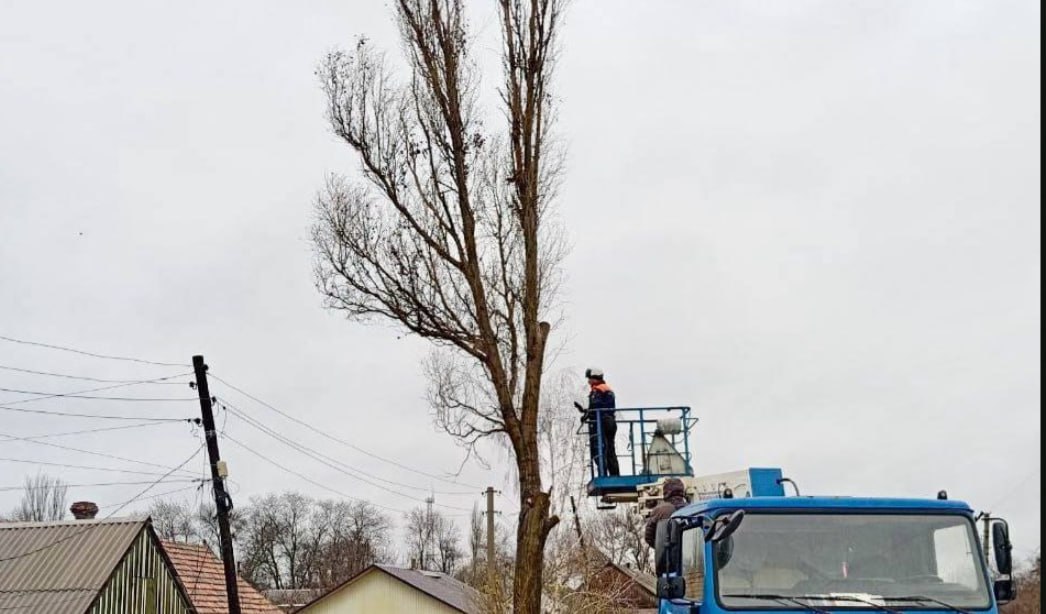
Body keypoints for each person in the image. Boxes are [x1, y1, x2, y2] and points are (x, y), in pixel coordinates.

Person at [585, 367, 620, 477]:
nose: (588, 381)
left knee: (599, 449)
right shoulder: (606, 389)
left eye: (589, 379)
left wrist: (588, 414)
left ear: (595, 378)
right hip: (609, 422)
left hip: (602, 423)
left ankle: (603, 474)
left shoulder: (598, 390)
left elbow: (596, 406)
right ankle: (614, 475)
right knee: (610, 449)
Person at [644, 477, 689, 548]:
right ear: (682, 490)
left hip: (668, 556)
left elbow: (648, 537)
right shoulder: (691, 509)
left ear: (666, 491)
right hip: (690, 555)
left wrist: (662, 550)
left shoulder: (659, 510)